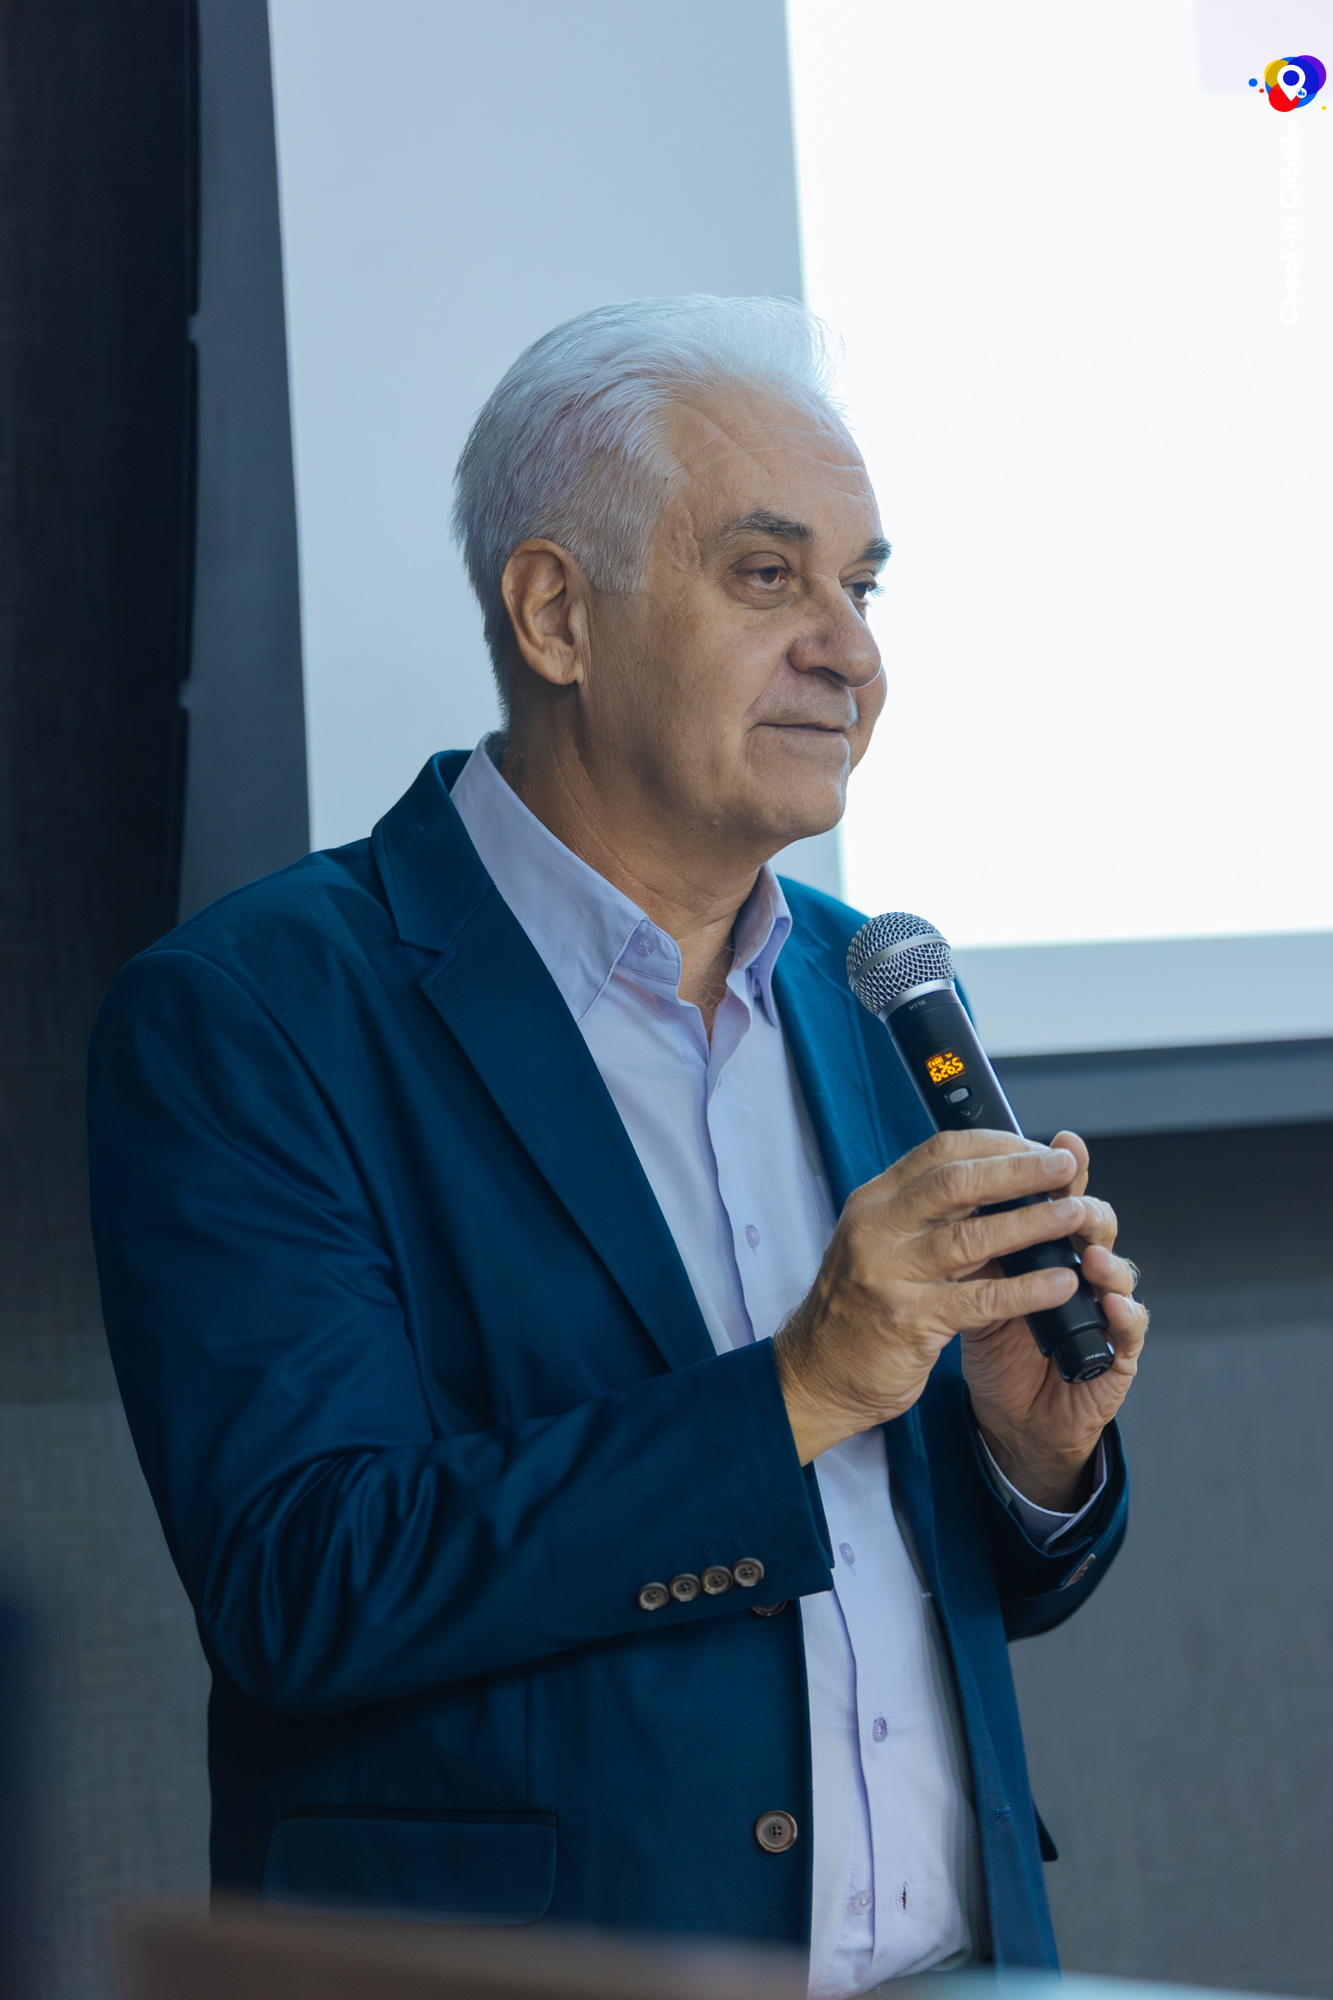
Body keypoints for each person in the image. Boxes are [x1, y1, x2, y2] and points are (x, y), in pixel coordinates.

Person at [88, 296, 1147, 1994]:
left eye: (863, 587)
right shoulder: (254, 1011)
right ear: (555, 613)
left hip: (961, 1967)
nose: (850, 652)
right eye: (768, 576)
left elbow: (924, 1584)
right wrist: (796, 1390)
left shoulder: (872, 989)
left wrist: (1025, 1462)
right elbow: (305, 1586)